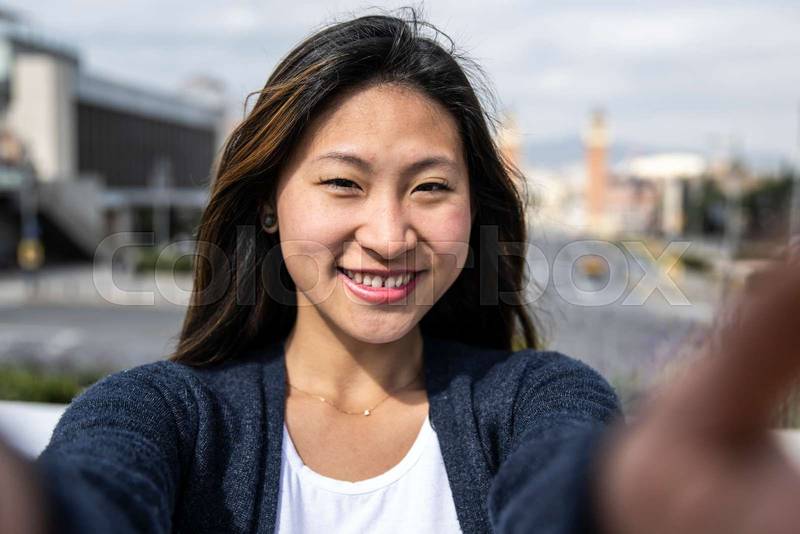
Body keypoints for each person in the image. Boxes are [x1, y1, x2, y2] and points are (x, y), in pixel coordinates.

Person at [1, 8, 799, 534]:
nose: (388, 234)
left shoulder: (536, 400)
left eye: (430, 188)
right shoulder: (164, 414)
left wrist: (615, 503)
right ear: (271, 203)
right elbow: (96, 491)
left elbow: (566, 478)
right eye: (343, 182)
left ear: (474, 212)